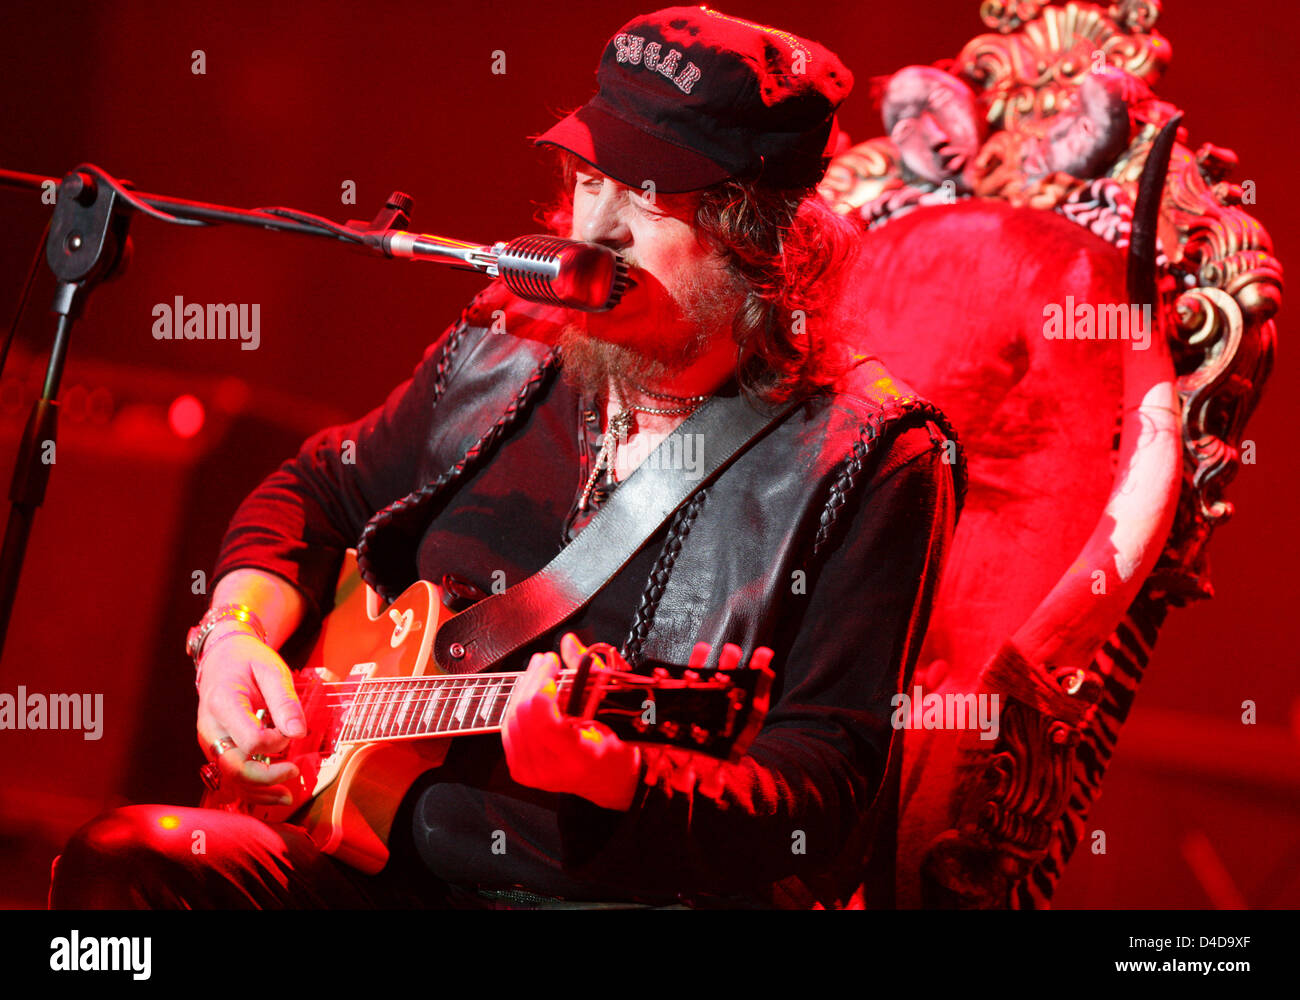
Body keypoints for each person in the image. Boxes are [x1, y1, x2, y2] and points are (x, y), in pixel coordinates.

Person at [49, 5, 965, 910]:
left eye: (645, 197)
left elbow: (822, 792)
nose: (593, 230)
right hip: (364, 862)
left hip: (611, 894)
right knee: (126, 865)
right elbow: (316, 490)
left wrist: (614, 779)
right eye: (589, 180)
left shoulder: (871, 458)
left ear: (754, 237)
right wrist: (233, 637)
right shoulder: (504, 340)